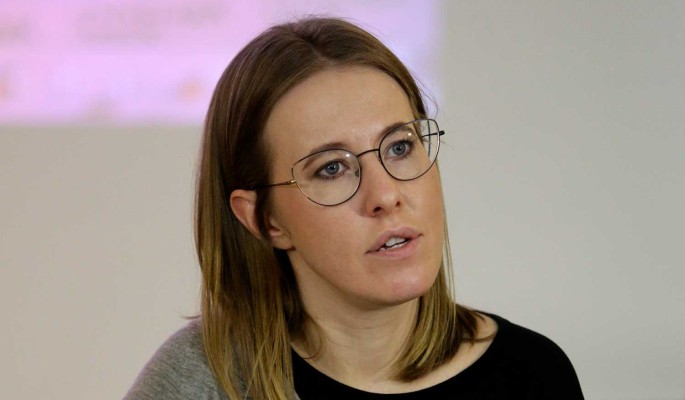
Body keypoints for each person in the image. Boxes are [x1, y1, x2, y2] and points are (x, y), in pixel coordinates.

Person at [124, 17, 584, 400]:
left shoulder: (534, 375)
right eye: (332, 168)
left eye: (400, 146)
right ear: (264, 220)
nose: (385, 195)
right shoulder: (199, 382)